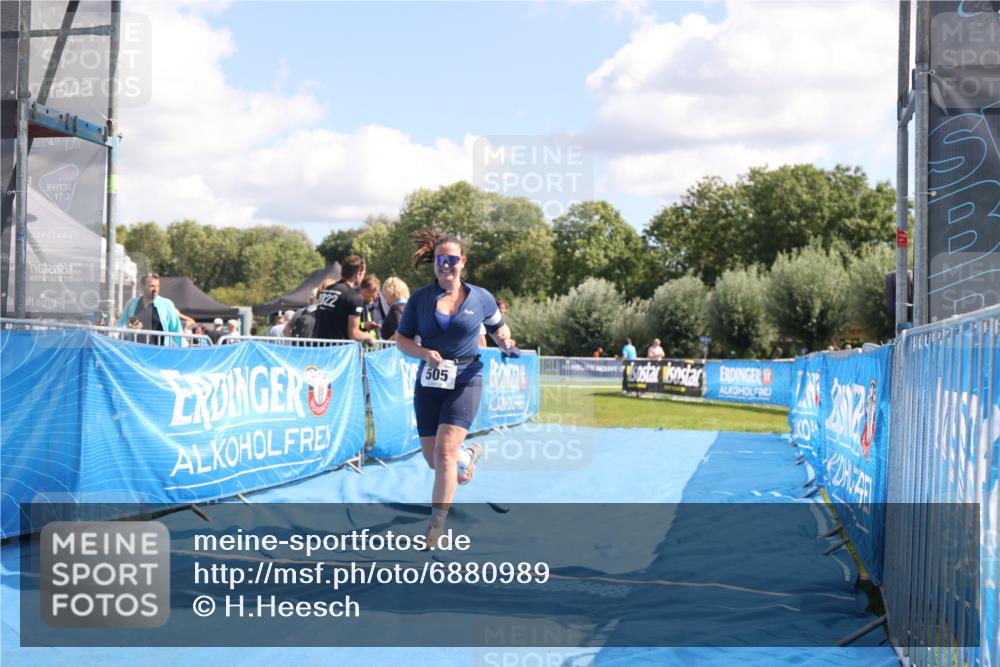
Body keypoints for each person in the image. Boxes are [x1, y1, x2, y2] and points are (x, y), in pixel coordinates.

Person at [394, 231, 516, 543]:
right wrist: (423, 353)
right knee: (433, 459)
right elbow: (402, 339)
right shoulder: (421, 299)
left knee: (444, 452)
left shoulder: (481, 297)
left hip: (466, 379)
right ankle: (468, 457)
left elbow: (499, 328)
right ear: (434, 263)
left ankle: (436, 525)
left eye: (451, 260)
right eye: (440, 261)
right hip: (430, 380)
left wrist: (504, 340)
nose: (445, 266)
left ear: (462, 262)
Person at [314, 255, 377, 345]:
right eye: (364, 273)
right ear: (358, 274)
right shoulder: (354, 297)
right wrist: (369, 336)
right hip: (338, 352)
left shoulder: (327, 290)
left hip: (320, 349)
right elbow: (354, 334)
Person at [117, 273, 185, 346]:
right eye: (152, 286)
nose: (155, 289)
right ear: (142, 287)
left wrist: (183, 352)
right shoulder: (131, 304)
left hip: (159, 353)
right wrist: (128, 329)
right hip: (135, 353)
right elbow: (120, 325)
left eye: (157, 286)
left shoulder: (167, 305)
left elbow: (177, 330)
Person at [359, 275, 383, 342]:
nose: (370, 300)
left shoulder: (380, 303)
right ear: (361, 290)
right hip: (361, 346)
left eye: (373, 297)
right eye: (367, 296)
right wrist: (364, 326)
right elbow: (351, 328)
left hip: (376, 346)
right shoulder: (356, 303)